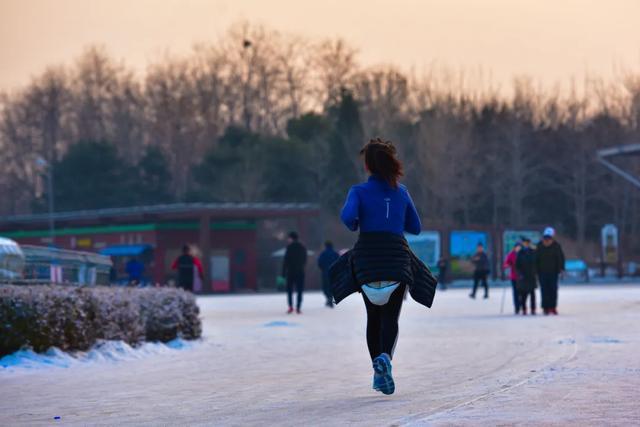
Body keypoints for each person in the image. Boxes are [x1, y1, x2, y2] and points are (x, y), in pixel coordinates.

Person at [332, 138, 437, 395]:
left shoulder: (357, 191)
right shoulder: (401, 192)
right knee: (391, 316)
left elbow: (347, 218)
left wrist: (358, 221)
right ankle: (385, 360)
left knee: (373, 316)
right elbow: (415, 227)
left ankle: (376, 368)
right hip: (395, 260)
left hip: (367, 260)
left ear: (368, 165)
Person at [536, 227, 565, 315]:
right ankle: (550, 307)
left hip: (548, 272)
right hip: (549, 272)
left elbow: (560, 258)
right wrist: (561, 269)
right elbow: (560, 258)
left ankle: (548, 307)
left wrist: (561, 268)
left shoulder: (541, 245)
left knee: (547, 290)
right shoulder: (554, 245)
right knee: (551, 290)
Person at [282, 231, 307, 314]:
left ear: (291, 238)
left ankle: (290, 307)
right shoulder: (302, 247)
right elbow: (304, 259)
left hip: (291, 272)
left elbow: (286, 261)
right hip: (300, 271)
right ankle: (298, 307)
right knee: (300, 290)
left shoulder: (289, 247)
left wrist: (283, 272)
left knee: (289, 290)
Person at [515, 238, 537, 315]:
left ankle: (533, 309)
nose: (526, 244)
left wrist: (535, 272)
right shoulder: (520, 252)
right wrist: (519, 274)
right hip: (523, 275)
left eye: (528, 243)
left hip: (531, 275)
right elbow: (517, 265)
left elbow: (536, 263)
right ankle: (524, 309)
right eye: (525, 243)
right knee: (523, 294)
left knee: (532, 293)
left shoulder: (533, 251)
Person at [317, 241, 340, 307]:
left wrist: (323, 269)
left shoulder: (323, 254)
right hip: (334, 273)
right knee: (333, 287)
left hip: (325, 273)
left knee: (325, 287)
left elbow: (319, 262)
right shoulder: (335, 254)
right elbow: (339, 263)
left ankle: (328, 298)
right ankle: (330, 298)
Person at [503, 243, 522, 313]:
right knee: (515, 292)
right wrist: (507, 265)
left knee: (522, 292)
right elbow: (506, 263)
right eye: (516, 247)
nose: (518, 248)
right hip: (514, 276)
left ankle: (521, 304)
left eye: (519, 247)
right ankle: (517, 307)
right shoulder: (511, 254)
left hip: (521, 277)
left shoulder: (522, 254)